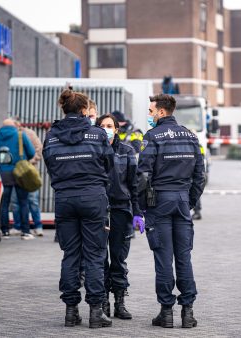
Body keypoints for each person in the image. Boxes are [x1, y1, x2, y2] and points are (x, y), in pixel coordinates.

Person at [43, 89, 114, 329]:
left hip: (65, 199)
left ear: (64, 109)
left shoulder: (51, 136)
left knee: (71, 254)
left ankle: (71, 311)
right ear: (84, 110)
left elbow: (50, 166)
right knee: (95, 255)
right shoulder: (97, 135)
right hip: (93, 198)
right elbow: (109, 166)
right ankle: (96, 311)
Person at [137, 94, 205, 329]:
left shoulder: (152, 137)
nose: (150, 114)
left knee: (163, 257)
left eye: (151, 110)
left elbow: (143, 176)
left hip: (159, 203)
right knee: (184, 257)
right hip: (182, 201)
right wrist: (190, 201)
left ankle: (166, 312)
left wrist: (142, 207)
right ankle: (188, 312)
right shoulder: (190, 136)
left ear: (162, 112)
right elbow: (200, 176)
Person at [96, 114, 144, 320]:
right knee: (99, 260)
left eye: (109, 126)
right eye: (102, 126)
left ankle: (119, 302)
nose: (106, 129)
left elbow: (135, 185)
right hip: (98, 212)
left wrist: (138, 213)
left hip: (120, 211)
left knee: (118, 259)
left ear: (116, 129)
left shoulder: (127, 151)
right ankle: (103, 302)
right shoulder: (94, 150)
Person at [0, 118, 36, 240]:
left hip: (3, 173)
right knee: (23, 202)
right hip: (20, 173)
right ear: (13, 125)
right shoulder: (20, 135)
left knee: (4, 204)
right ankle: (25, 232)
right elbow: (32, 153)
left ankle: (4, 231)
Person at [10, 118, 44, 236]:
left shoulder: (29, 134)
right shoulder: (12, 136)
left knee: (32, 200)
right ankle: (17, 226)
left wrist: (30, 161)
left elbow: (39, 149)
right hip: (16, 173)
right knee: (15, 201)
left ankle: (38, 226)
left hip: (29, 172)